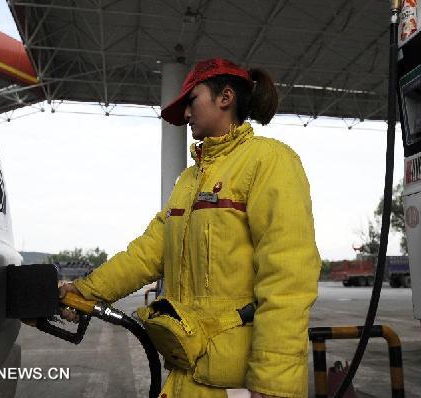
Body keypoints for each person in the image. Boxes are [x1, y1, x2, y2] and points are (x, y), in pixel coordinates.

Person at [60, 58, 321, 398]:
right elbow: (146, 254)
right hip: (187, 373)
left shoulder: (269, 160)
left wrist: (273, 382)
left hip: (239, 384)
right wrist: (85, 290)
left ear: (224, 97)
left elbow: (288, 275)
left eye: (191, 100)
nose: (185, 114)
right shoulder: (189, 181)